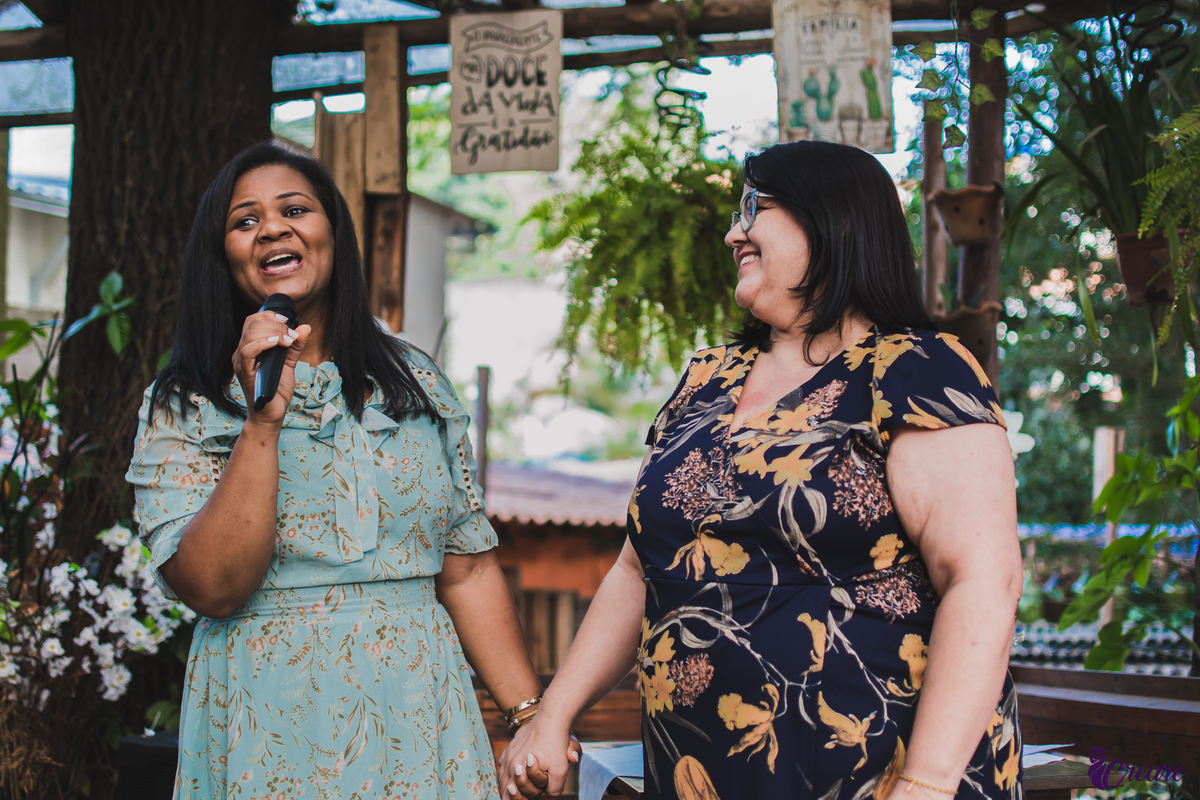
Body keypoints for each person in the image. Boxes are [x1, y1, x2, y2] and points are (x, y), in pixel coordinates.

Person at [500, 140, 1024, 800]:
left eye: (753, 207)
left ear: (832, 218)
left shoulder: (917, 368)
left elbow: (983, 579)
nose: (731, 232)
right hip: (702, 771)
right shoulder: (705, 380)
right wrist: (553, 715)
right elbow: (640, 569)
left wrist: (927, 782)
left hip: (876, 775)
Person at [126, 142, 569, 798]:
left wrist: (532, 721)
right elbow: (213, 587)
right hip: (267, 730)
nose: (272, 227)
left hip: (421, 724)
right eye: (245, 221)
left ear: (333, 231)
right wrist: (262, 423)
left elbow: (468, 568)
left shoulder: (415, 382)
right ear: (222, 258)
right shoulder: (186, 402)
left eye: (295, 209)